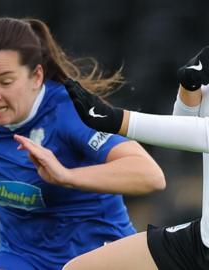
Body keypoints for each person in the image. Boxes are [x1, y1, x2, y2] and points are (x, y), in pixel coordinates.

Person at [0, 17, 165, 270]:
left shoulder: (71, 115)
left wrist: (66, 176)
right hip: (22, 257)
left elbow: (150, 175)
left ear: (37, 76)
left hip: (94, 256)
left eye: (6, 81)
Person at [14, 46, 209, 269]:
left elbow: (203, 134)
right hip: (200, 241)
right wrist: (190, 85)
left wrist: (116, 120)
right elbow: (185, 126)